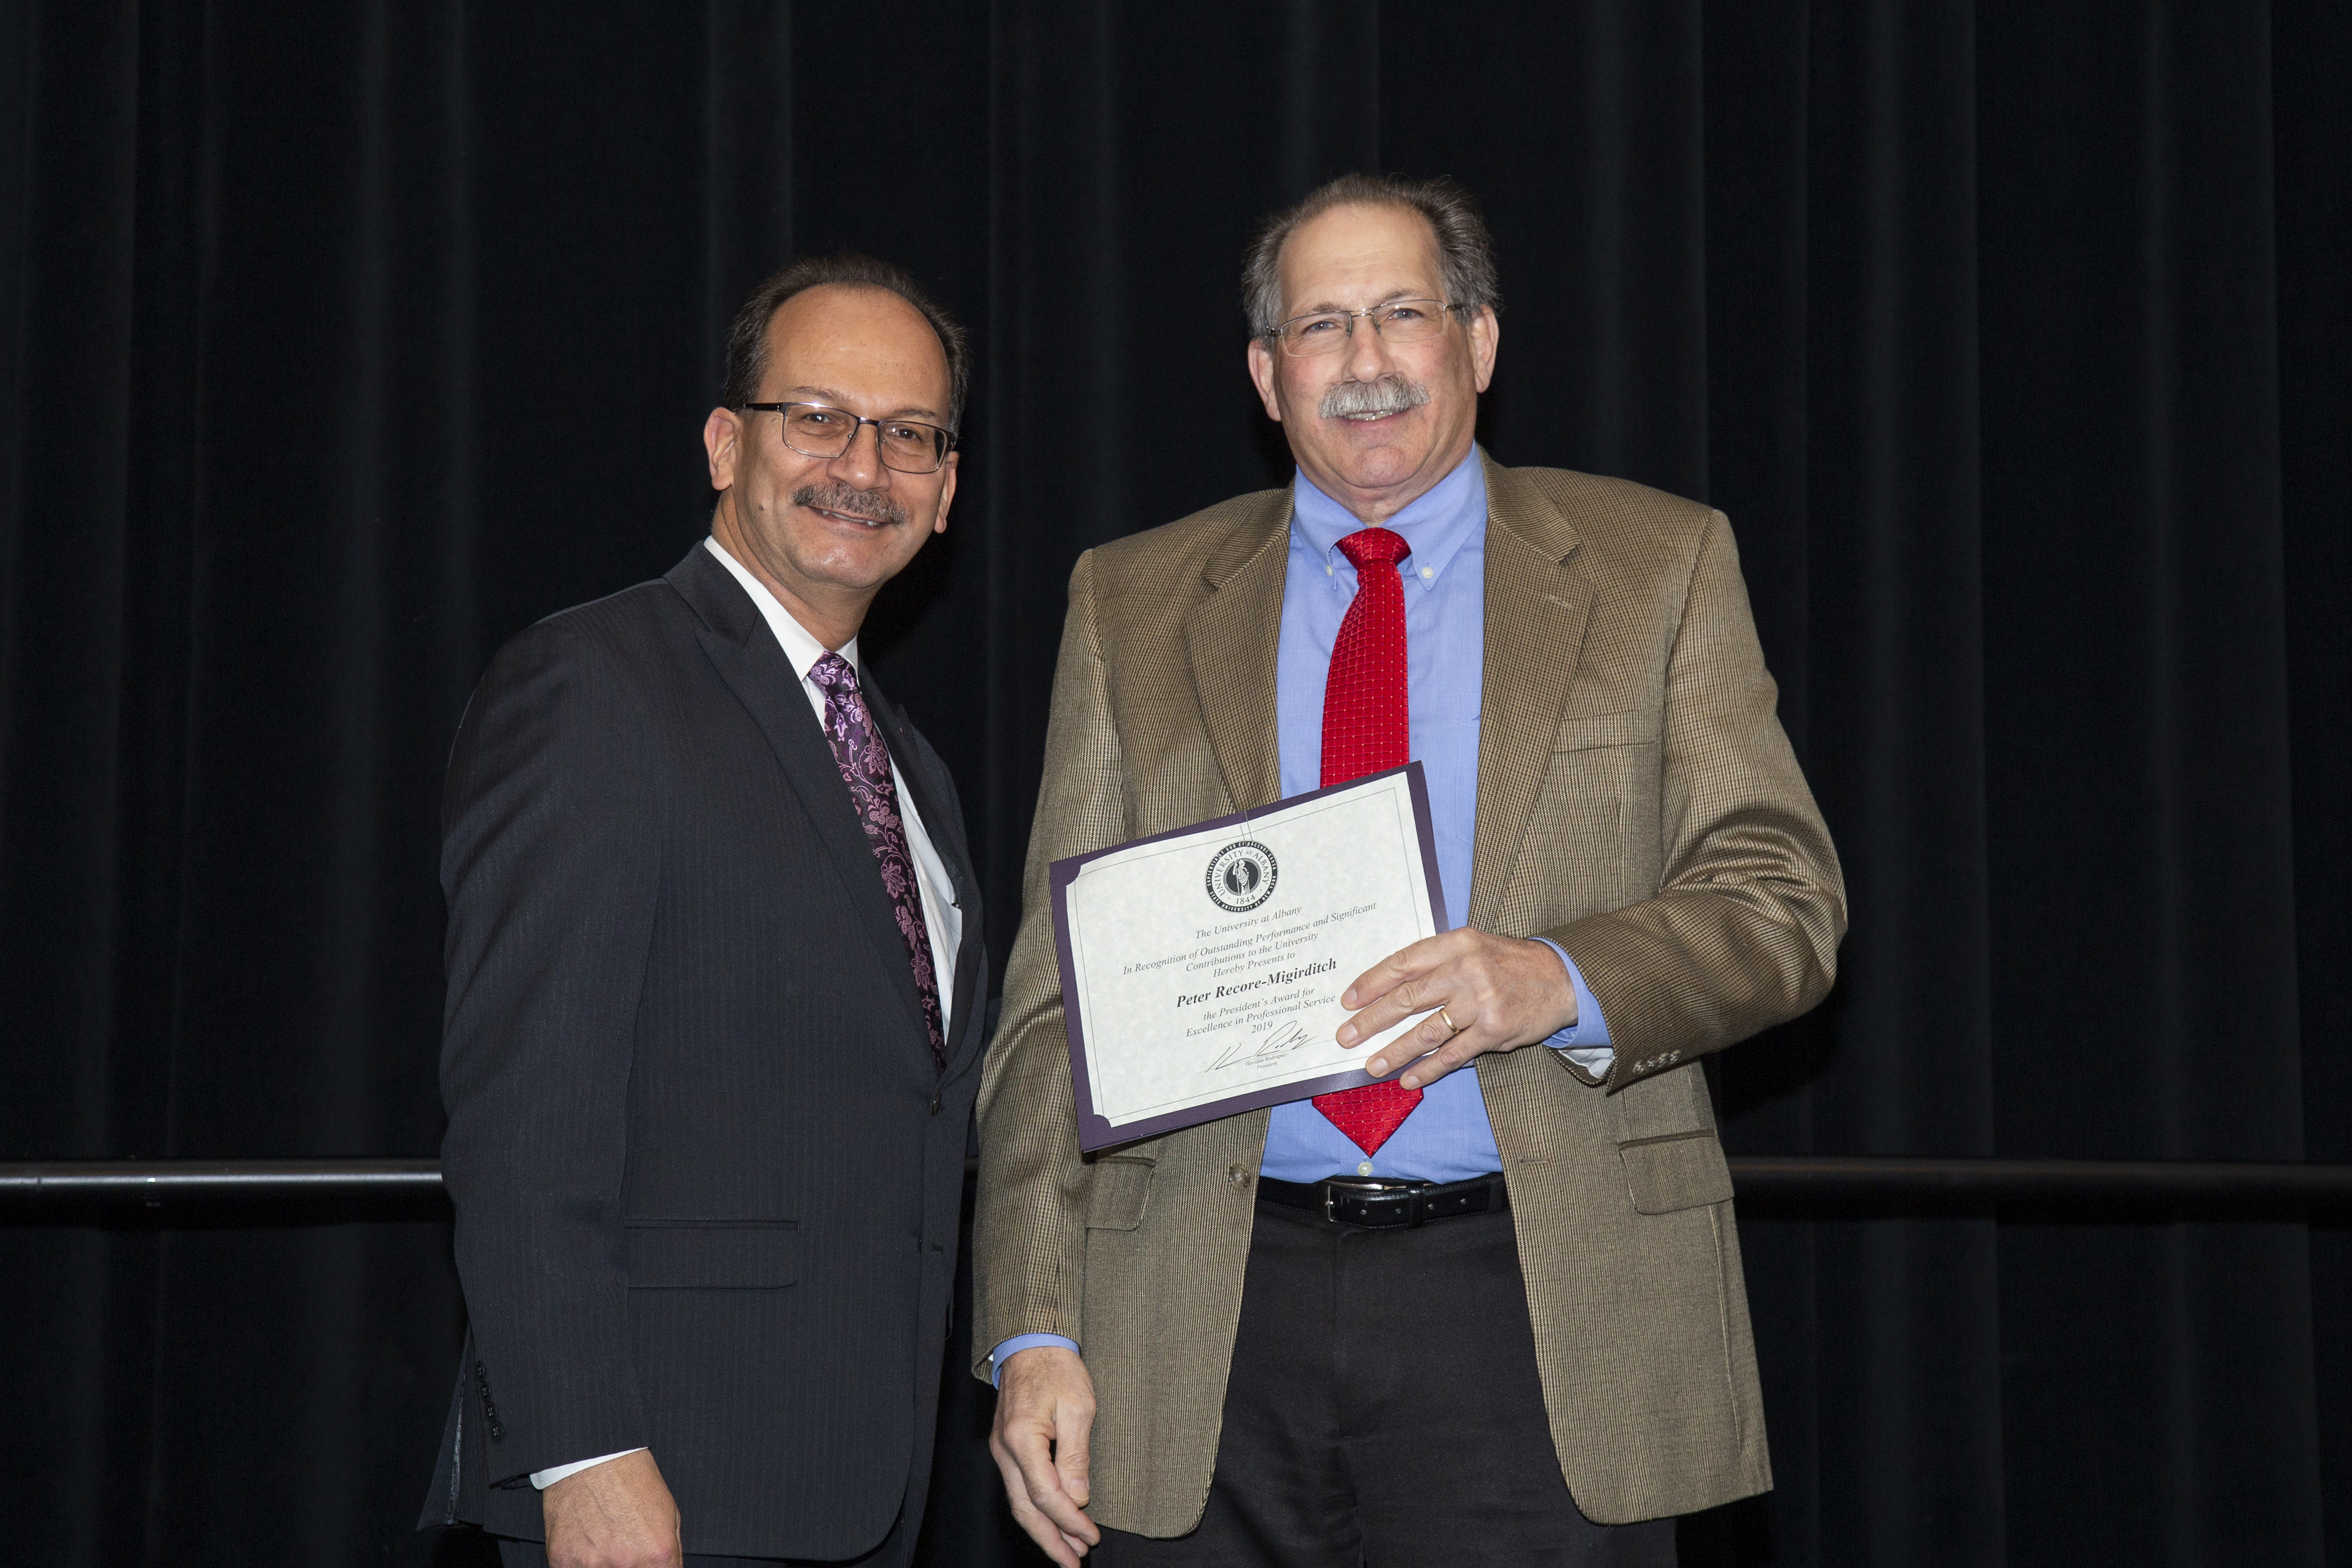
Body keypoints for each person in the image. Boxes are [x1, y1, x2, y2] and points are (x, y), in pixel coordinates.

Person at [974, 174, 1847, 1566]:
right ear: (1266, 376)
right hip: (1201, 1311)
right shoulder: (1129, 601)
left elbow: (1781, 900)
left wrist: (1554, 978)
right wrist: (1030, 1322)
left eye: (1401, 314)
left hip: (1529, 1301)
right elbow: (1048, 1001)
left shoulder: (1655, 563)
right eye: (1320, 326)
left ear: (1478, 344)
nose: (1366, 360)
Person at [422, 254, 987, 1568]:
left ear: (948, 490)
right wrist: (584, 1451)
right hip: (659, 1489)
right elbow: (524, 1117)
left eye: (910, 435)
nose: (865, 463)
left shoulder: (911, 769)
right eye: (818, 418)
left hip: (857, 1487)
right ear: (728, 444)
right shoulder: (593, 687)